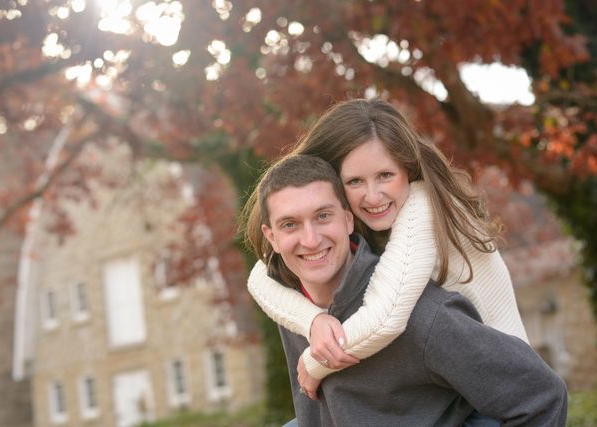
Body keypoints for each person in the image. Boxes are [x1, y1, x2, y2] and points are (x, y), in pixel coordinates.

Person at [242, 154, 567, 426]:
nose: (310, 240)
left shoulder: (426, 316)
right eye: (290, 225)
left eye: (323, 216)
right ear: (271, 238)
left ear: (348, 219)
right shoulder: (292, 303)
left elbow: (542, 396)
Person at [247, 99, 528, 398]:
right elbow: (259, 277)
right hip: (449, 384)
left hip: (497, 386)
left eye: (385, 175)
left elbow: (385, 316)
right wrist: (312, 320)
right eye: (355, 181)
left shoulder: (423, 206)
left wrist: (315, 362)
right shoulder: (361, 217)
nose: (372, 196)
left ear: (408, 169)